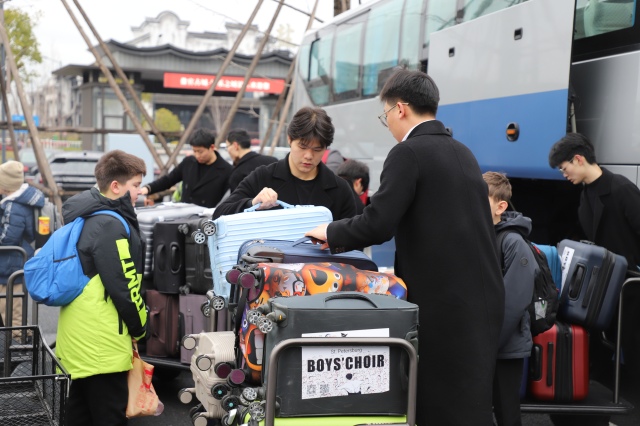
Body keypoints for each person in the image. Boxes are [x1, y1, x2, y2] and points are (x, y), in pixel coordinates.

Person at [306, 68, 505, 425]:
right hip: (483, 298)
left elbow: (378, 222)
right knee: (470, 402)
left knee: (435, 403)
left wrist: (330, 232)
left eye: (385, 116)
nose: (389, 125)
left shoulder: (408, 153)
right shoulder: (463, 152)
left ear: (400, 108)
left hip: (443, 304)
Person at [58, 150, 148, 426]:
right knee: (109, 415)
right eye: (136, 185)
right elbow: (125, 284)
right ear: (116, 186)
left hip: (82, 332)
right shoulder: (110, 224)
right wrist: (141, 327)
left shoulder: (89, 215)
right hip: (103, 339)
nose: (140, 191)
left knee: (80, 412)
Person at [549, 132, 640, 375]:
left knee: (632, 350)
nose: (564, 174)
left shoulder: (622, 189)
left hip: (630, 289)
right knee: (600, 351)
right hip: (604, 287)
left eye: (564, 167)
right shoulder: (585, 195)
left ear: (579, 159)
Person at [213, 107, 357, 220]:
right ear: (289, 139)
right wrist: (252, 203)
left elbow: (351, 239)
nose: (308, 156)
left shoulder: (339, 189)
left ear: (326, 148)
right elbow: (220, 214)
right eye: (302, 147)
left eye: (317, 149)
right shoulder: (263, 177)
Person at [484, 171, 535, 426]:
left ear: (500, 207)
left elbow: (515, 300)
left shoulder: (513, 242)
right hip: (487, 342)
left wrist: (489, 343)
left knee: (507, 413)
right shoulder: (484, 236)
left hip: (504, 346)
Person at [0, 160, 45, 326]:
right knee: (11, 305)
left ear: (6, 186)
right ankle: (15, 336)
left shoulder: (14, 206)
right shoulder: (17, 201)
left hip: (11, 263)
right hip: (12, 262)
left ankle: (17, 339)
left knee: (11, 308)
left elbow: (7, 238)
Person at [141, 128, 232, 208]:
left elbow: (227, 200)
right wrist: (148, 188)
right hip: (185, 214)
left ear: (212, 147)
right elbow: (168, 180)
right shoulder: (188, 163)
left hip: (207, 218)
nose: (197, 155)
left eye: (200, 152)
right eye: (194, 151)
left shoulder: (227, 170)